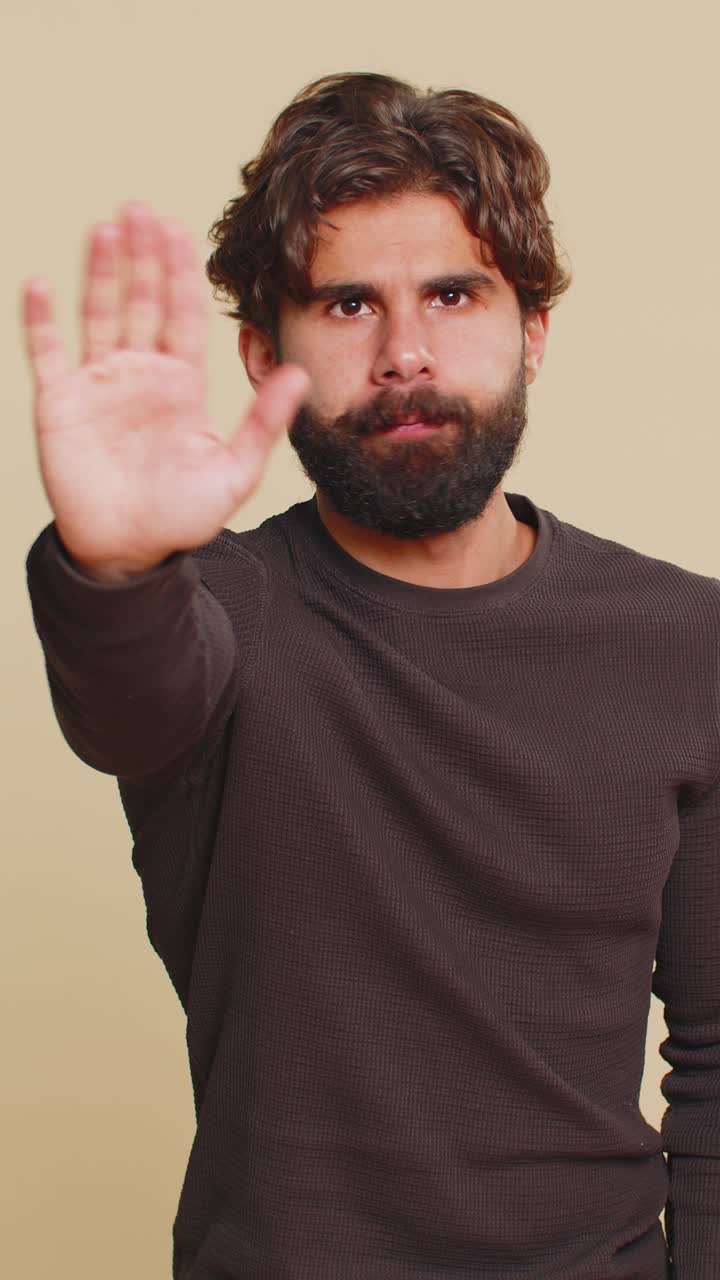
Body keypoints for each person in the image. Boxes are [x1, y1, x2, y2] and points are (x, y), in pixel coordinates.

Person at [22, 71, 718, 1279]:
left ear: (533, 329)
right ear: (261, 353)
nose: (405, 352)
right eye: (347, 305)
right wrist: (118, 563)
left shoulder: (685, 641)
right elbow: (127, 699)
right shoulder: (214, 609)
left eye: (453, 292)